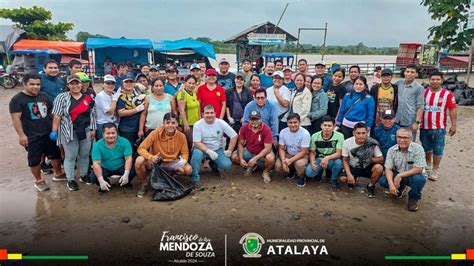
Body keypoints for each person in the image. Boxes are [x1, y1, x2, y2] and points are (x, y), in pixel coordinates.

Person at [9, 73, 65, 191]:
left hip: (48, 132)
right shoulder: (17, 100)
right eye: (32, 84)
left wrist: (57, 127)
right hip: (32, 136)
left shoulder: (43, 96)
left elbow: (51, 112)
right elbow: (16, 118)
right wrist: (21, 135)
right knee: (34, 159)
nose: (35, 87)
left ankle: (59, 173)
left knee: (55, 154)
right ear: (24, 84)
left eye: (38, 84)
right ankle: (39, 180)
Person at [50, 75, 97, 191]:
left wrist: (93, 129)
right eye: (72, 84)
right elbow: (57, 115)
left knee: (85, 154)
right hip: (69, 131)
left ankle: (83, 175)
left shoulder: (88, 98)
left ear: (82, 84)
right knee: (70, 156)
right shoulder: (62, 97)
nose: (75, 86)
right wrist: (54, 130)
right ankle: (70, 179)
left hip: (85, 130)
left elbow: (93, 115)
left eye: (77, 83)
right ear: (68, 85)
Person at [135, 112, 192, 198]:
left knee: (188, 169)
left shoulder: (181, 136)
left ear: (177, 124)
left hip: (172, 162)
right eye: (167, 122)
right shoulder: (155, 133)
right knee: (139, 161)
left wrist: (182, 162)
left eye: (173, 123)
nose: (170, 125)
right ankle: (144, 184)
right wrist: (151, 157)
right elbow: (141, 148)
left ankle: (171, 179)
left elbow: (185, 153)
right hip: (156, 162)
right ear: (163, 123)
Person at [190, 105, 238, 191]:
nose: (209, 115)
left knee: (227, 165)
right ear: (202, 114)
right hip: (201, 148)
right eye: (207, 113)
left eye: (212, 113)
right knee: (197, 155)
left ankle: (213, 164)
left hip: (216, 149)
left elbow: (234, 136)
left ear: (215, 113)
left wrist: (230, 150)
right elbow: (196, 142)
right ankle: (195, 178)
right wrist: (208, 151)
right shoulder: (198, 124)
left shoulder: (221, 123)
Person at [420, 71, 457, 181]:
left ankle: (435, 170)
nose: (435, 81)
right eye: (433, 79)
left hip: (439, 128)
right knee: (426, 148)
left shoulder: (447, 94)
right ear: (429, 80)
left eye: (437, 79)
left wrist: (454, 125)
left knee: (438, 149)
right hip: (424, 126)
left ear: (442, 80)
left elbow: (452, 109)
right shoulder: (424, 92)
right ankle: (428, 166)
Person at [378, 128, 427, 211]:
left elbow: (419, 168)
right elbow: (388, 168)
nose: (402, 140)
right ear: (396, 138)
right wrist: (391, 185)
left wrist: (400, 175)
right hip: (398, 173)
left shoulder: (418, 149)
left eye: (405, 138)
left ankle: (413, 200)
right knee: (383, 181)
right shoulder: (392, 150)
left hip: (412, 175)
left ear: (411, 139)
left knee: (419, 179)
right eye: (399, 137)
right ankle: (400, 189)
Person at [340, 122, 384, 197]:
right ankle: (353, 178)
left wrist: (368, 160)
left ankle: (371, 186)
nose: (361, 136)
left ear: (367, 133)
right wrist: (349, 174)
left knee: (379, 168)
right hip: (353, 166)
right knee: (343, 179)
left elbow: (381, 159)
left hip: (367, 167)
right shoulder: (347, 142)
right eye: (358, 133)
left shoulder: (371, 143)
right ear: (353, 133)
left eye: (363, 133)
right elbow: (345, 159)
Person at [231, 110, 275, 183]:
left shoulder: (266, 129)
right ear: (249, 120)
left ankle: (266, 172)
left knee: (270, 158)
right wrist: (241, 159)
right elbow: (240, 144)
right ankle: (251, 166)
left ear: (261, 119)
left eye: (256, 119)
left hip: (263, 152)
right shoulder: (244, 128)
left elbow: (268, 148)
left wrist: (255, 158)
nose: (254, 122)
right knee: (234, 157)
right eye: (252, 119)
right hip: (250, 150)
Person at [90, 123, 133, 192]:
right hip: (105, 168)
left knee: (132, 171)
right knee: (93, 177)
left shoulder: (125, 141)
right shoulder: (97, 145)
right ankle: (105, 183)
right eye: (108, 133)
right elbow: (96, 163)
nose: (111, 136)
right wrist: (100, 180)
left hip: (120, 166)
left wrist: (126, 174)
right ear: (103, 134)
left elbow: (128, 158)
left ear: (117, 133)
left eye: (113, 133)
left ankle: (125, 181)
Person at [305, 115, 344, 191]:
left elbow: (339, 153)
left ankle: (334, 180)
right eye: (325, 125)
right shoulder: (314, 136)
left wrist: (327, 158)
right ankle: (319, 172)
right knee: (309, 172)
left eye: (329, 126)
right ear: (321, 126)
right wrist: (312, 162)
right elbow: (312, 152)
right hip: (319, 159)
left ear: (333, 126)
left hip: (332, 160)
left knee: (338, 163)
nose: (327, 128)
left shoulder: (339, 136)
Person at [275, 113, 311, 187]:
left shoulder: (305, 133)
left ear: (299, 122)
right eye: (290, 122)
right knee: (278, 166)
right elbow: (281, 148)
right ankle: (292, 170)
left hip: (301, 155)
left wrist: (290, 161)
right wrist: (283, 161)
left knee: (299, 164)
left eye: (295, 122)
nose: (293, 125)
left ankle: (301, 176)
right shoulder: (283, 132)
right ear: (287, 123)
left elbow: (304, 152)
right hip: (289, 154)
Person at [115, 74, 146, 153]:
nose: (129, 84)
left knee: (138, 150)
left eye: (131, 82)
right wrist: (136, 109)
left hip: (138, 128)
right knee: (128, 151)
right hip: (126, 129)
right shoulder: (121, 96)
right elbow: (121, 113)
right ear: (122, 83)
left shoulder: (138, 95)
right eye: (126, 82)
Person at [395, 64, 424, 140]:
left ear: (416, 74)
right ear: (404, 72)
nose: (409, 74)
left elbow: (420, 106)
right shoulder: (398, 83)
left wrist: (416, 122)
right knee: (397, 141)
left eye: (412, 72)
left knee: (409, 142)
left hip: (410, 121)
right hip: (396, 120)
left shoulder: (419, 88)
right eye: (407, 71)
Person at [177, 75, 201, 150]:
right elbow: (181, 109)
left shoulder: (194, 93)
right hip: (187, 125)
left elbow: (197, 107)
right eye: (189, 83)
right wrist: (185, 124)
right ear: (185, 83)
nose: (191, 85)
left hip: (195, 123)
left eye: (193, 83)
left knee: (195, 143)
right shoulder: (182, 94)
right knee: (189, 143)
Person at [95, 75, 119, 139]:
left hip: (112, 123)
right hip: (103, 124)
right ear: (103, 84)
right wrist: (115, 99)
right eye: (108, 83)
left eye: (112, 83)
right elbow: (110, 111)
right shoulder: (100, 96)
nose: (110, 85)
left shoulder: (113, 94)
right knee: (104, 146)